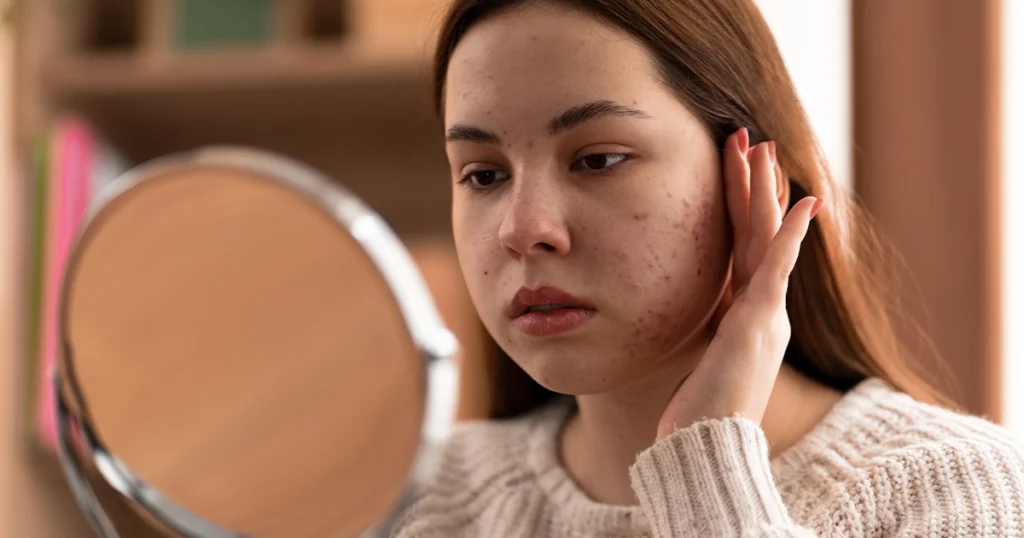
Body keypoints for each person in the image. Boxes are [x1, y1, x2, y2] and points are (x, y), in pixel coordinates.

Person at [392, 0, 1024, 536]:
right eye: (484, 174)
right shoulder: (427, 500)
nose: (522, 229)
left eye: (599, 160)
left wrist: (709, 466)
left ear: (753, 182)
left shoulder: (949, 492)